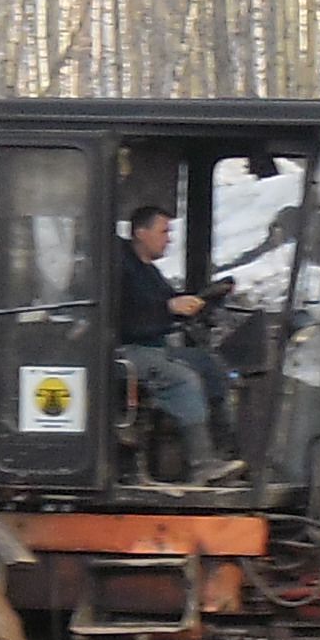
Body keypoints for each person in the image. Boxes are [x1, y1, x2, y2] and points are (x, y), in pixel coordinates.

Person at [116, 206, 240, 482]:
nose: (169, 239)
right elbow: (124, 318)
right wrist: (169, 307)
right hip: (125, 351)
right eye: (164, 232)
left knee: (211, 367)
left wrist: (200, 301)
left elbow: (166, 303)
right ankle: (201, 464)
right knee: (183, 379)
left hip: (153, 349)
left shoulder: (149, 273)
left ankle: (225, 452)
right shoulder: (119, 269)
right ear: (141, 233)